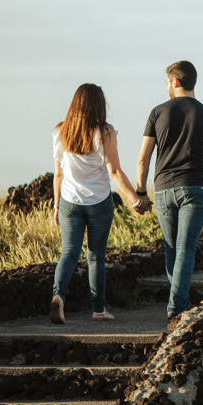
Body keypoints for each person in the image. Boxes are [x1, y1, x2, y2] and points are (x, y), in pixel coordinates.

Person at [134, 60, 203, 321]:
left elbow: (143, 159)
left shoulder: (156, 112)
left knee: (171, 248)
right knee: (186, 248)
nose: (166, 86)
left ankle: (178, 304)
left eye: (166, 82)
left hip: (163, 191)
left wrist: (141, 193)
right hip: (195, 188)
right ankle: (177, 307)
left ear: (175, 82)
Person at [50, 83, 145, 324]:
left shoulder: (61, 132)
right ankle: (98, 310)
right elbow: (114, 171)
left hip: (69, 203)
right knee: (96, 257)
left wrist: (55, 205)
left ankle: (58, 297)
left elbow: (58, 175)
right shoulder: (105, 132)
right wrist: (136, 200)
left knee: (69, 254)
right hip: (100, 203)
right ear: (99, 106)